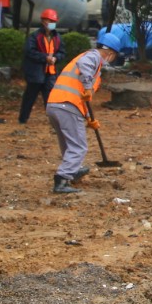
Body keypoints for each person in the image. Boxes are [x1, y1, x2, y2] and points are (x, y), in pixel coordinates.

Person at [45, 33, 122, 194]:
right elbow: (84, 66)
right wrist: (88, 86)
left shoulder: (94, 65)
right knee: (79, 146)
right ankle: (62, 178)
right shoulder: (92, 57)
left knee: (68, 143)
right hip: (67, 106)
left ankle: (73, 170)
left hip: (55, 104)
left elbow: (83, 98)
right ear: (110, 53)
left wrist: (88, 118)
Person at [18, 9, 65, 124]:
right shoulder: (35, 36)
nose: (52, 23)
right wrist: (45, 58)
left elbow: (62, 52)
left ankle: (53, 120)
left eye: (53, 21)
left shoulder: (57, 37)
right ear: (43, 21)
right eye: (50, 21)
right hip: (36, 72)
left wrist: (56, 58)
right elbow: (30, 52)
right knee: (30, 96)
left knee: (51, 98)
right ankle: (23, 119)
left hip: (51, 72)